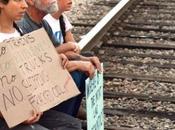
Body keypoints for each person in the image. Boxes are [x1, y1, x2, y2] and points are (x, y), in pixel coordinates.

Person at [0, 0, 82, 130]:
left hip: (29, 108)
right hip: (5, 116)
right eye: (18, 0)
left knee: (73, 126)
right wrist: (14, 114)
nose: (24, 5)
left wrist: (53, 60)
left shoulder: (19, 32)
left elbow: (29, 69)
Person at [17, 0, 102, 118]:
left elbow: (58, 51)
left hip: (45, 78)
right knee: (74, 76)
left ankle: (70, 116)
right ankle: (61, 119)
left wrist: (84, 59)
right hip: (34, 90)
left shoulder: (43, 24)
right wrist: (78, 64)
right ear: (31, 1)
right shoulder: (23, 25)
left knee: (85, 63)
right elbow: (38, 65)